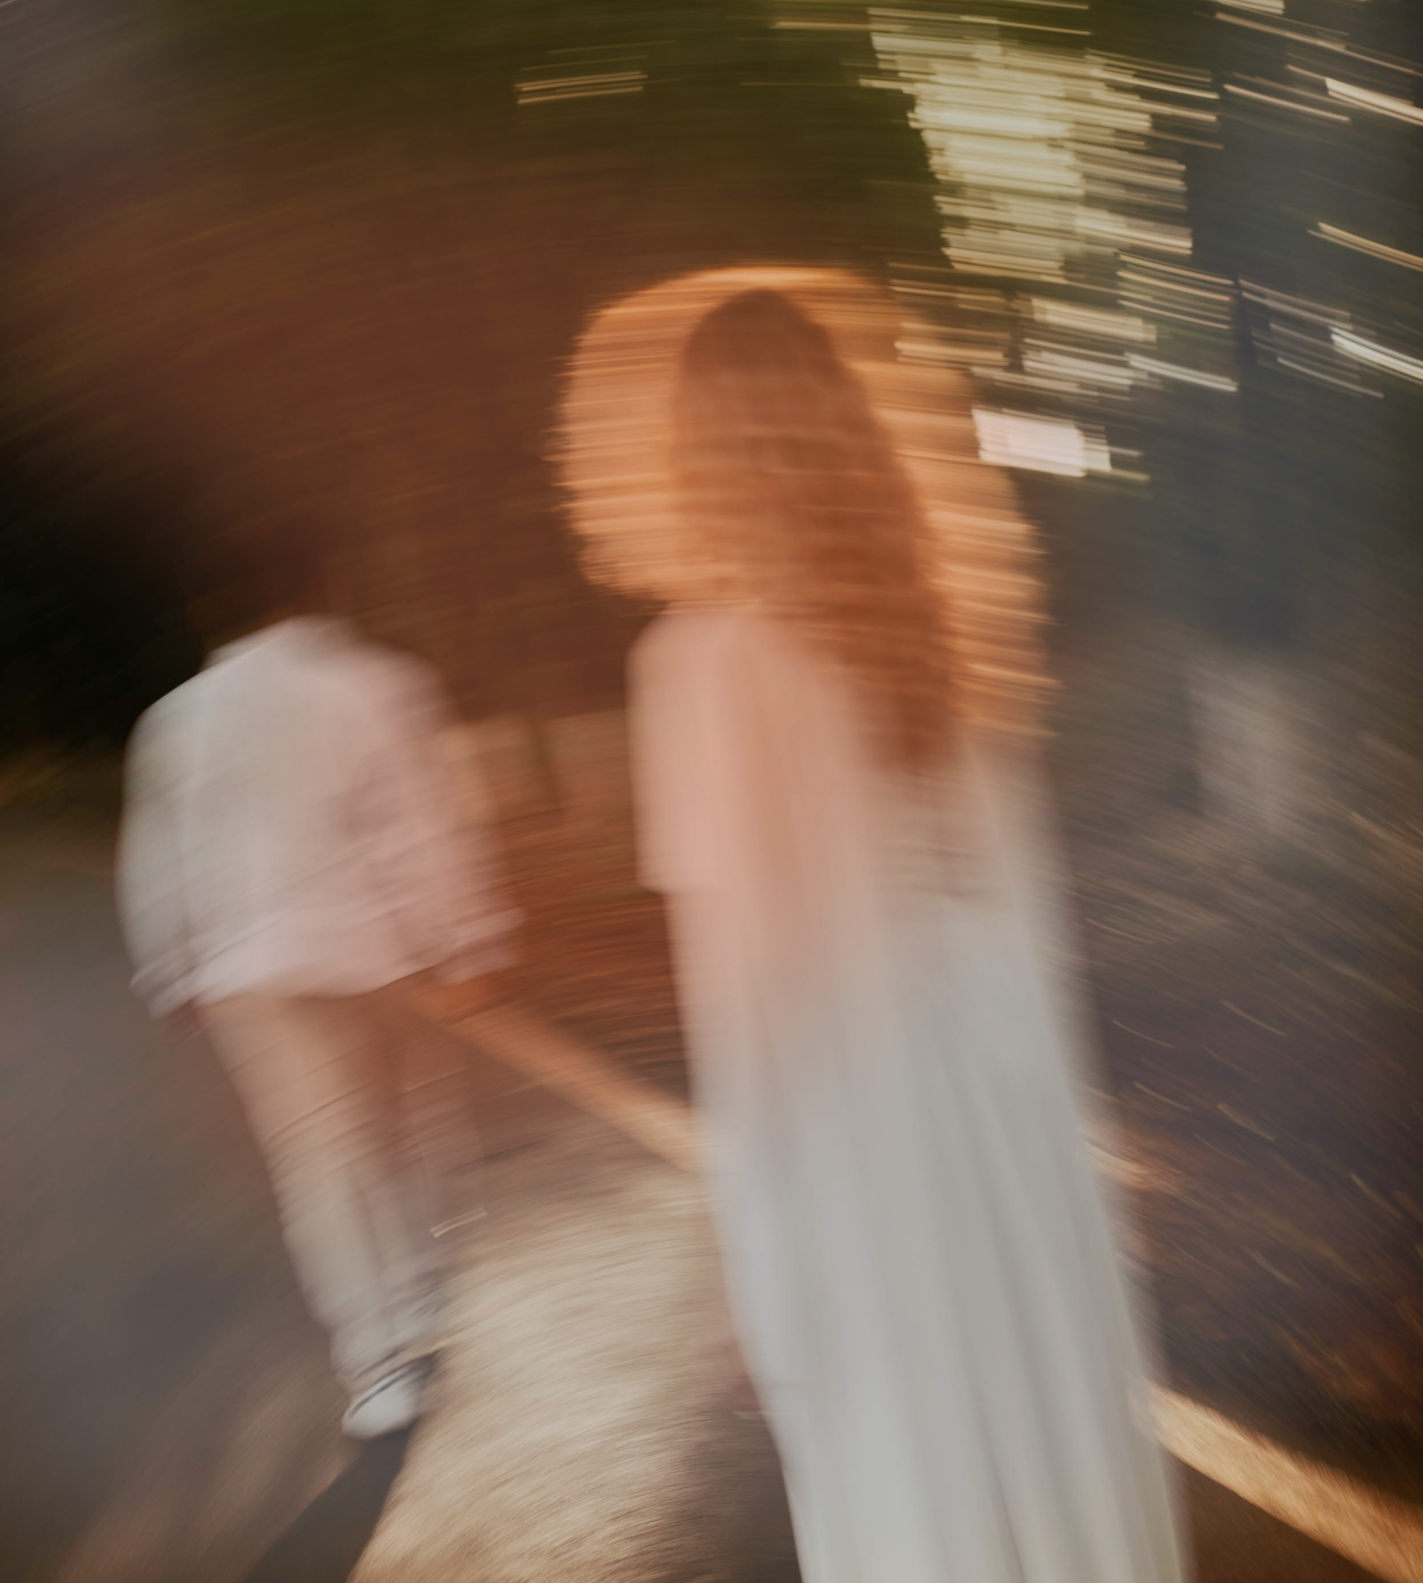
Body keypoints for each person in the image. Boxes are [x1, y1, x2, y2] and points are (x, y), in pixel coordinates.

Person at [557, 268, 1188, 1583]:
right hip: (1012, 1133)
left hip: (860, 1165)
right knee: (1050, 1454)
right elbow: (1029, 930)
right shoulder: (951, 635)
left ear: (689, 452)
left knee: (915, 1484)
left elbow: (751, 1004)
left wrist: (754, 1270)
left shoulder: (703, 663)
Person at [115, 509, 515, 1441]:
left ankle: (376, 1365)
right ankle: (421, 1297)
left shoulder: (174, 719)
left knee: (319, 1164)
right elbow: (420, 822)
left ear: (211, 610)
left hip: (252, 968)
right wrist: (465, 939)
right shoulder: (374, 684)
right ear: (317, 588)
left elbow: (159, 855)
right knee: (413, 1124)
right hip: (373, 952)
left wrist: (168, 971)